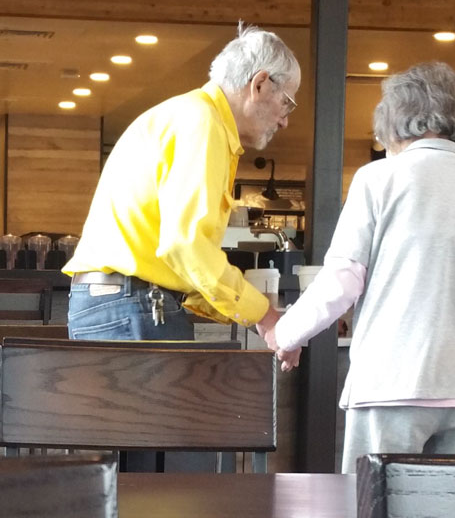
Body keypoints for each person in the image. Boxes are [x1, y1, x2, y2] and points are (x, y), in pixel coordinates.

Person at [260, 61, 455, 472]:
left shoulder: (377, 179)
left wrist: (287, 334)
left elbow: (343, 282)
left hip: (392, 383)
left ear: (394, 121)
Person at [64, 23, 300, 340]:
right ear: (259, 84)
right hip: (133, 304)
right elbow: (187, 245)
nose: (285, 120)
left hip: (115, 301)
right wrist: (266, 315)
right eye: (287, 101)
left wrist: (250, 312)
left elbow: (180, 256)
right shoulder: (204, 124)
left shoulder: (187, 114)